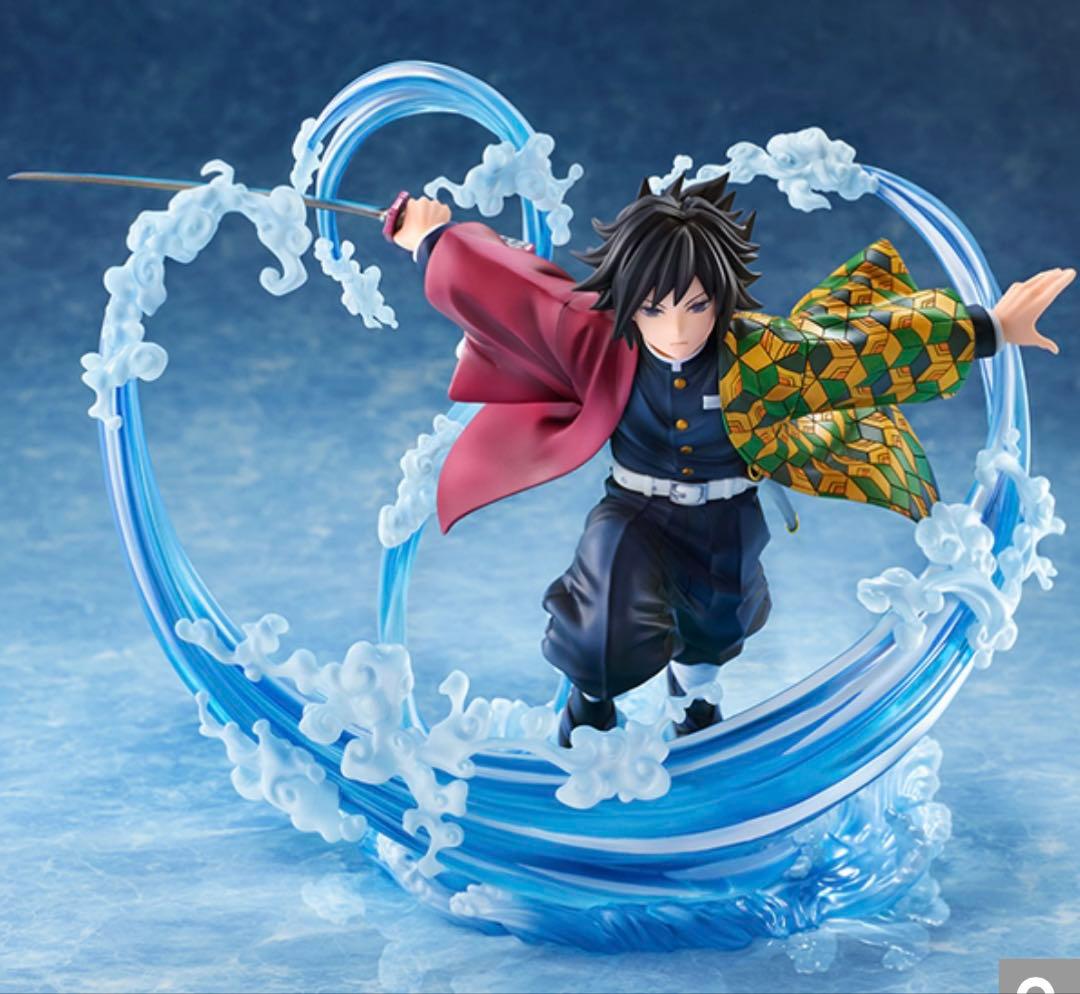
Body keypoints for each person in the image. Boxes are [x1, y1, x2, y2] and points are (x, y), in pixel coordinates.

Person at [391, 175, 1072, 746]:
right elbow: (511, 288)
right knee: (604, 612)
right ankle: (589, 706)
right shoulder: (597, 335)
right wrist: (433, 239)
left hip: (726, 517)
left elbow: (855, 351)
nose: (678, 329)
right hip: (633, 509)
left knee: (717, 625)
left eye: (696, 306)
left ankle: (695, 703)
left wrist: (986, 328)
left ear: (721, 296)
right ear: (628, 301)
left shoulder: (761, 355)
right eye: (655, 309)